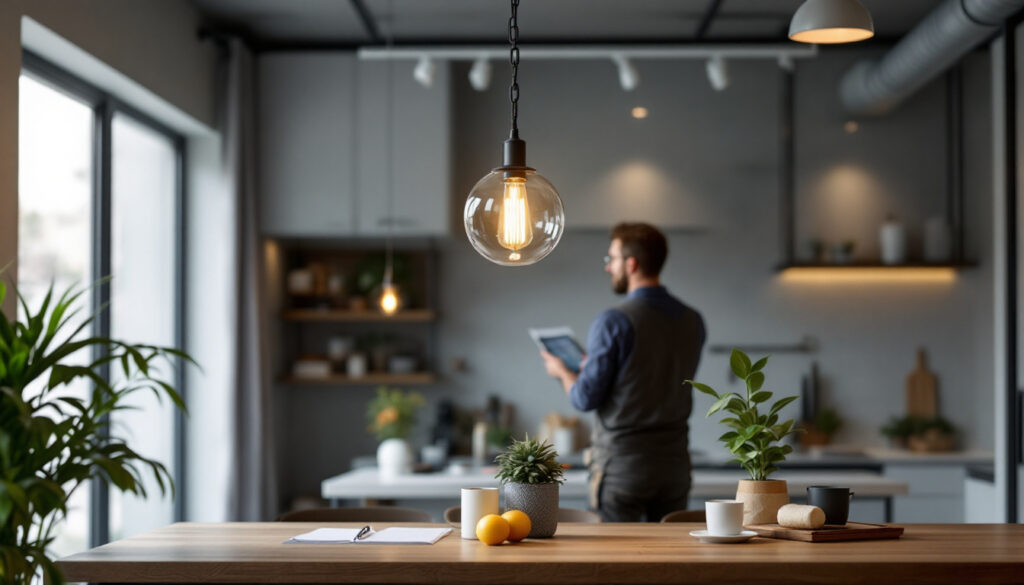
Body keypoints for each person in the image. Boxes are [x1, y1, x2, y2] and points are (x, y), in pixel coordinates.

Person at [540, 222, 706, 522]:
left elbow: (585, 398)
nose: (608, 267)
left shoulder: (614, 321)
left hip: (624, 466)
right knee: (672, 559)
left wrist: (562, 371)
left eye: (611, 259)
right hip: (674, 465)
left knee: (615, 561)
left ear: (631, 264)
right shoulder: (692, 320)